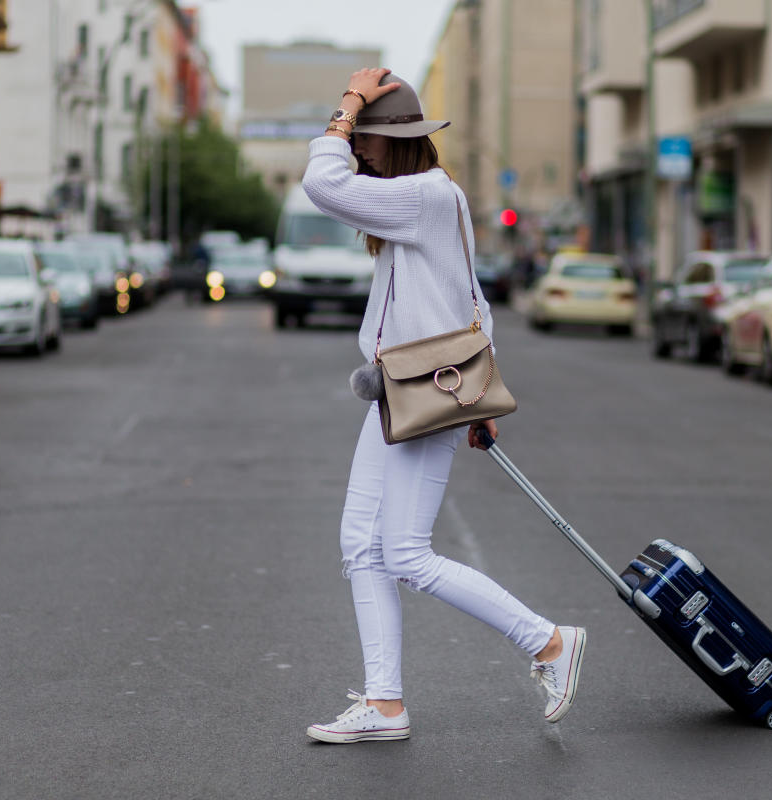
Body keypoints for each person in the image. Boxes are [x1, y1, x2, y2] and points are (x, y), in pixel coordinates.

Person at [299, 68, 587, 745]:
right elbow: (471, 300)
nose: (357, 149)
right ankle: (386, 704)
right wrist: (484, 392)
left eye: (366, 138)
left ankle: (548, 643)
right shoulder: (428, 198)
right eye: (355, 137)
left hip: (424, 391)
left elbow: (321, 184)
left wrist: (345, 108)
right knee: (360, 545)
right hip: (407, 390)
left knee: (404, 551)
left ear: (395, 142)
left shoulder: (425, 195)